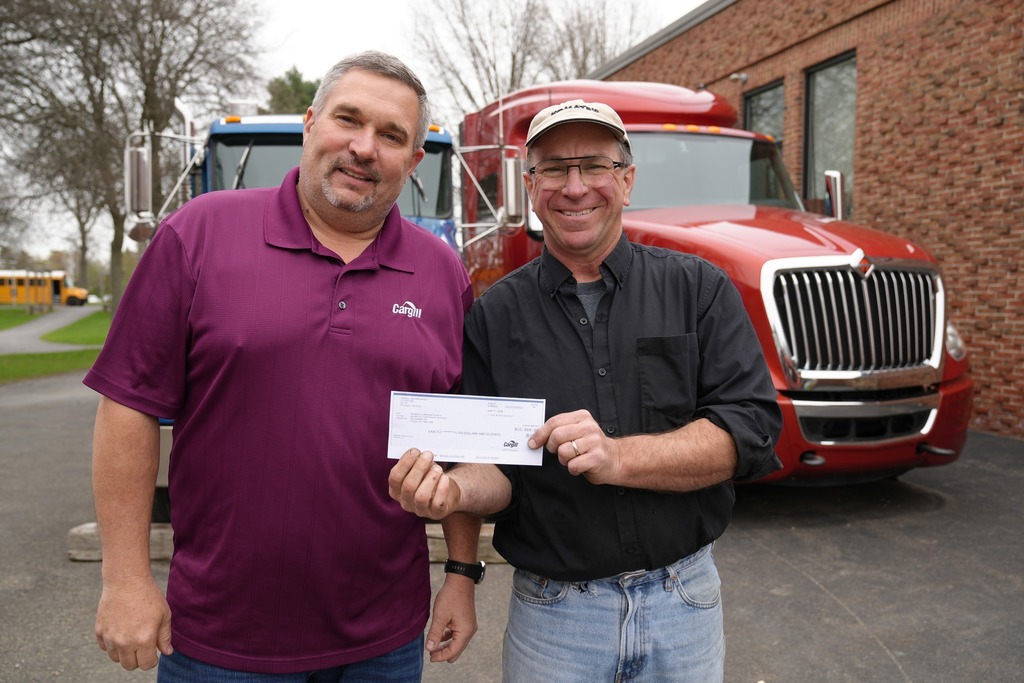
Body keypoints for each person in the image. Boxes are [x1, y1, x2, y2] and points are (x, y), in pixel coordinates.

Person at [86, 51, 480, 679]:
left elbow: (462, 438)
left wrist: (461, 574)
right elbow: (128, 405)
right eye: (348, 120)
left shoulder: (442, 273)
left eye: (391, 135)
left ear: (413, 161)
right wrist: (126, 579)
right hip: (218, 641)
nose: (363, 147)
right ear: (310, 122)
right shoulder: (199, 234)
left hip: (385, 642)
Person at [389, 99, 784, 681]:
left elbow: (749, 432)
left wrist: (619, 456)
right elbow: (495, 470)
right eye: (553, 169)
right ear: (531, 186)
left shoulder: (698, 290)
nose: (574, 187)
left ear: (626, 180)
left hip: (684, 603)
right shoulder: (493, 316)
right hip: (554, 620)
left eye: (594, 166)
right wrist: (451, 494)